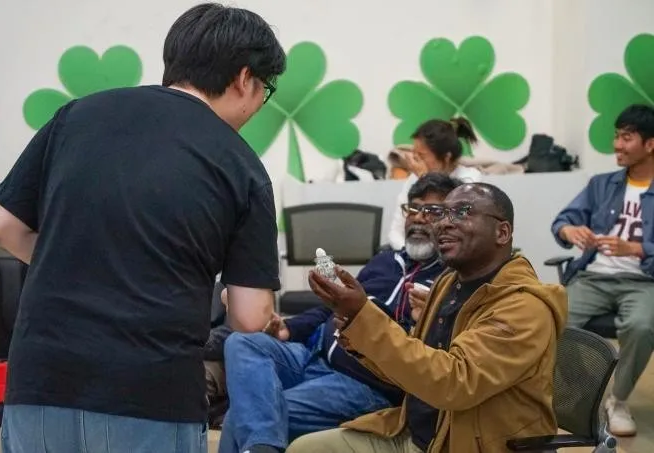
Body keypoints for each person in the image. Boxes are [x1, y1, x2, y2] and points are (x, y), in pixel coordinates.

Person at [0, 4, 285, 453]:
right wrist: (230, 298)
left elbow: (2, 226)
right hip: (149, 396)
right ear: (245, 78)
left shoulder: (77, 116)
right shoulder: (241, 165)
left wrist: (79, 266)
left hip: (39, 382)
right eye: (267, 89)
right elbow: (250, 316)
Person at [289, 182, 568, 453]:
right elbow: (415, 367)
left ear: (502, 232)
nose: (443, 223)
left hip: (462, 444)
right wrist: (356, 326)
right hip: (416, 432)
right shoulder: (448, 283)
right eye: (442, 213)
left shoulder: (524, 306)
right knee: (305, 448)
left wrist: (366, 317)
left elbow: (454, 382)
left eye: (462, 212)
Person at [218, 174, 462, 453]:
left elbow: (439, 361)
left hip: (364, 384)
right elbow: (331, 307)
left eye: (431, 211)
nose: (418, 218)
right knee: (241, 343)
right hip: (315, 357)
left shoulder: (451, 281)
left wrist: (431, 319)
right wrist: (290, 328)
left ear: (451, 221)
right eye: (413, 208)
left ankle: (262, 446)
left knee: (242, 416)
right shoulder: (385, 261)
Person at [551, 104, 654, 437]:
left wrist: (636, 248)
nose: (617, 145)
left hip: (643, 281)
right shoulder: (601, 184)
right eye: (616, 136)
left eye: (626, 137)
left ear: (650, 144)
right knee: (551, 319)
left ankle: (618, 401)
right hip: (593, 277)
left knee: (641, 326)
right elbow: (563, 220)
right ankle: (586, 390)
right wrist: (570, 231)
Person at [387, 117, 482, 250]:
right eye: (414, 154)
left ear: (446, 157)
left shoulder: (470, 178)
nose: (414, 161)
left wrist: (425, 178)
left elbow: (457, 225)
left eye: (421, 155)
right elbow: (395, 231)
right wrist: (409, 253)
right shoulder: (413, 179)